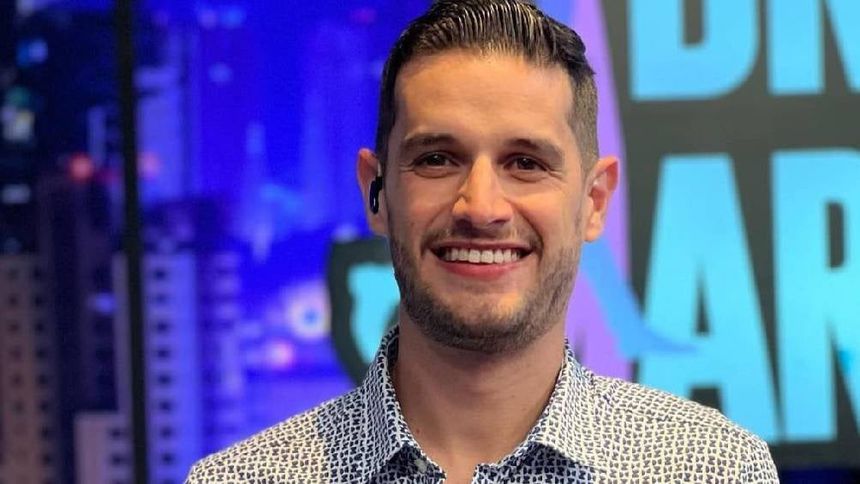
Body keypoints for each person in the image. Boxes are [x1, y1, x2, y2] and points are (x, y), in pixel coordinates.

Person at [186, 0, 779, 482]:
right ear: (376, 192)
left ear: (594, 202)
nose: (482, 208)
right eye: (437, 159)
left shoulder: (715, 470)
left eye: (526, 163)